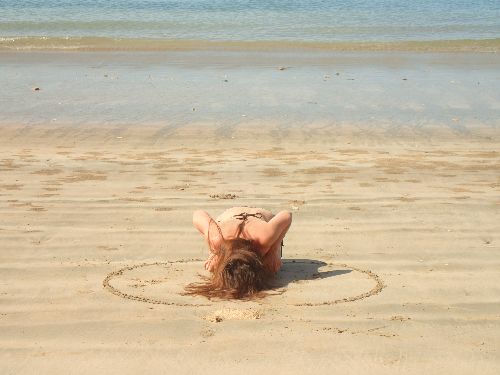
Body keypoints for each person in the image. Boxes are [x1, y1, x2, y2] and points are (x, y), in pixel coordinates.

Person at [184, 206, 292, 300]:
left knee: (272, 262)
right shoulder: (217, 237)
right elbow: (197, 214)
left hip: (260, 215)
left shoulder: (263, 238)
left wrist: (274, 250)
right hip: (229, 216)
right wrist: (214, 251)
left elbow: (287, 215)